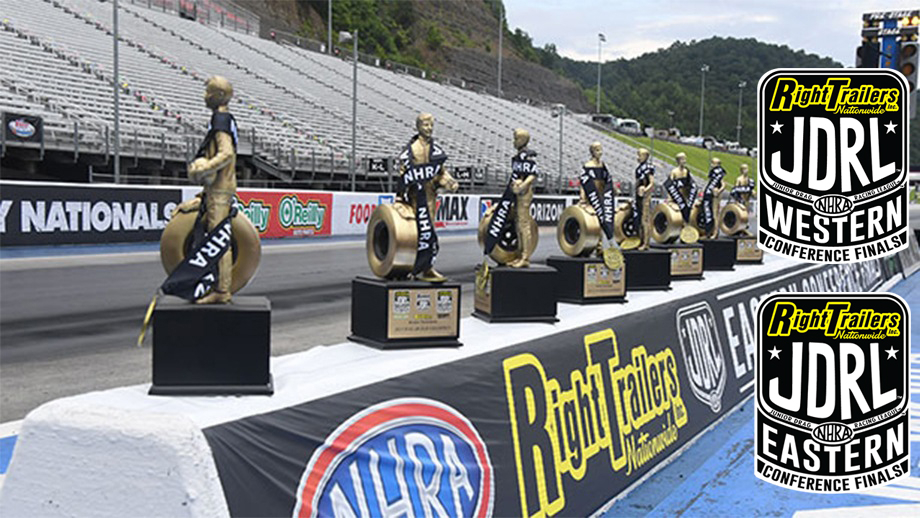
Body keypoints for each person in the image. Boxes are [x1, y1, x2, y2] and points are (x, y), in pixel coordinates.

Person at [186, 76, 239, 304]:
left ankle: (222, 290)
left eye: (207, 92)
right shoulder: (224, 118)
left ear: (217, 96)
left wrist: (204, 167)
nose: (203, 96)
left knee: (219, 239)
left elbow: (226, 154)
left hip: (220, 188)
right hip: (215, 189)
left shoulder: (221, 119)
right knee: (214, 235)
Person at [396, 113, 459, 282]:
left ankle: (427, 267)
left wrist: (449, 182)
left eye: (431, 125)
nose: (429, 128)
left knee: (429, 233)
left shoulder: (435, 150)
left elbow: (441, 173)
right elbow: (403, 175)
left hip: (431, 197)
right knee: (417, 234)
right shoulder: (410, 150)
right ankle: (416, 267)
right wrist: (400, 197)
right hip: (415, 198)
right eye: (425, 125)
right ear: (418, 126)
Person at [508, 129, 537, 267]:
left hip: (524, 192)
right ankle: (520, 254)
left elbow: (533, 174)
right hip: (517, 190)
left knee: (524, 224)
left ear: (523, 140)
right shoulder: (518, 156)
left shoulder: (528, 156)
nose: (514, 141)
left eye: (516, 139)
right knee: (518, 224)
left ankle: (525, 257)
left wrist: (523, 185)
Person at [634, 148, 655, 250]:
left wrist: (646, 190)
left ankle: (646, 243)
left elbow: (651, 183)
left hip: (645, 196)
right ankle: (641, 240)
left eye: (640, 155)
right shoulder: (639, 168)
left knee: (644, 220)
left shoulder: (648, 167)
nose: (638, 157)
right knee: (639, 219)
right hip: (638, 195)